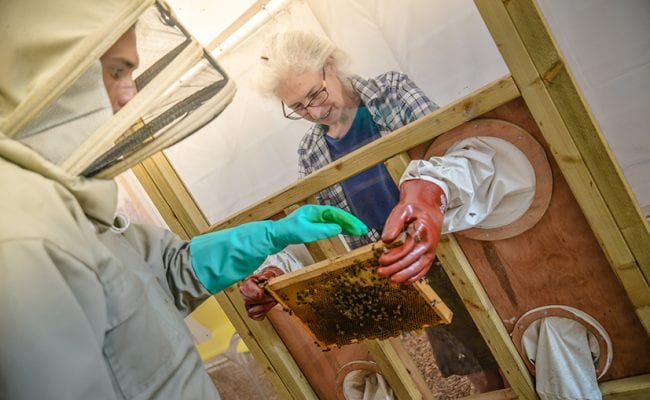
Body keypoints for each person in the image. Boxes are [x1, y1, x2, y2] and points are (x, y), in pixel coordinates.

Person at [0, 5, 368, 399]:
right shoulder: (21, 241)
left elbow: (171, 269)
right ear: (50, 74)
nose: (131, 94)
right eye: (117, 71)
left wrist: (273, 234)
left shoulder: (73, 211)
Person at [239, 30, 512, 392]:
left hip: (453, 248)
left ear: (331, 65)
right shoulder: (310, 152)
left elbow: (453, 155)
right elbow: (323, 233)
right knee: (475, 367)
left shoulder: (392, 93)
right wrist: (281, 271)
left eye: (315, 95)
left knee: (508, 346)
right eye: (300, 108)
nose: (315, 111)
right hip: (403, 271)